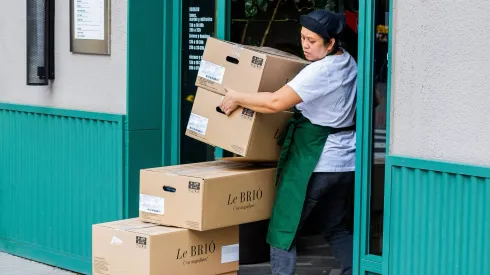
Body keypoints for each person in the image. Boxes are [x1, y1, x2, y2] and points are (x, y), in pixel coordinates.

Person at [219, 10, 357, 275]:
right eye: (303, 37)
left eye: (312, 41)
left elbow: (275, 102)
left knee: (284, 229)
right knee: (335, 225)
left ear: (330, 43)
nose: (305, 45)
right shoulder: (349, 62)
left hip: (317, 162)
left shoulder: (321, 70)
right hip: (345, 162)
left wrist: (237, 97)